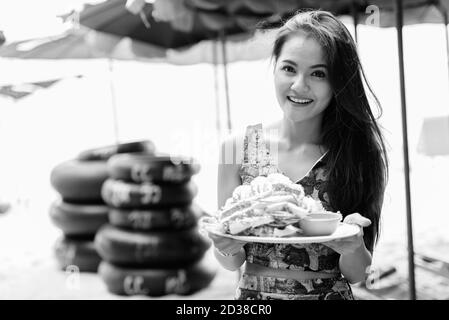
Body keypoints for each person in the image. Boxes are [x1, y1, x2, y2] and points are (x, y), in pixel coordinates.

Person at [209, 10, 388, 300]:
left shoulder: (358, 153)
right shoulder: (235, 148)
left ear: (338, 82)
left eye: (318, 73)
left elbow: (358, 274)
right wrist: (223, 244)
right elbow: (232, 261)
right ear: (275, 67)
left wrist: (354, 247)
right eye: (289, 68)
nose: (299, 85)